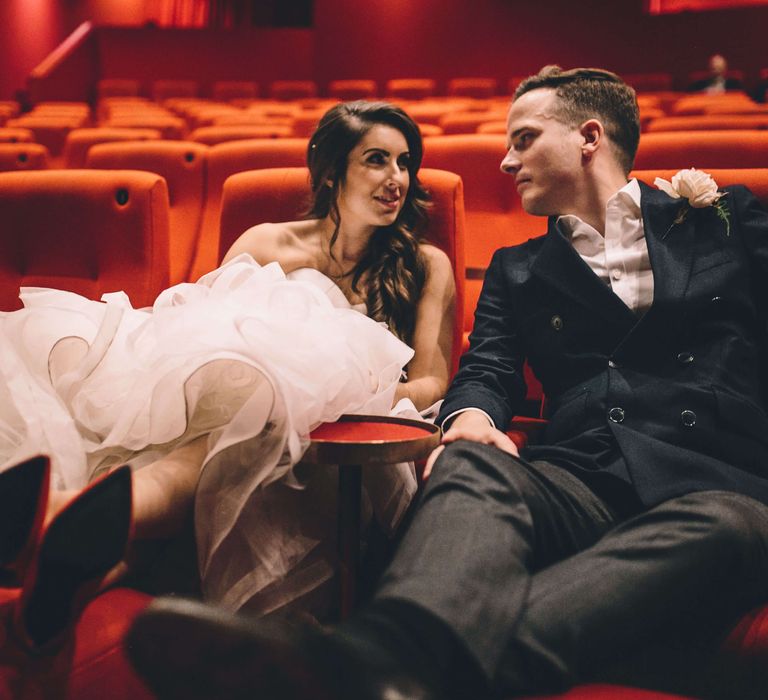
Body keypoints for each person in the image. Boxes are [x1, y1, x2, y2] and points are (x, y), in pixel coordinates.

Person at [127, 67, 768, 700]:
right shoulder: (518, 269)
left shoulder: (728, 221)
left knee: (726, 528)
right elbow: (485, 371)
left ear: (588, 137)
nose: (505, 162)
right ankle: (394, 659)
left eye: (523, 139)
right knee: (469, 465)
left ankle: (384, 669)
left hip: (716, 478)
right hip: (580, 478)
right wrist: (471, 421)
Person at [0, 100, 455, 644]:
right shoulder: (266, 243)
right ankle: (65, 577)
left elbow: (432, 380)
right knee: (242, 415)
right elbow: (199, 344)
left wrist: (335, 393)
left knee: (253, 424)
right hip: (226, 413)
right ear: (331, 171)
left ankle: (60, 523)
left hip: (337, 432)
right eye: (377, 160)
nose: (396, 179)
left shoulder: (425, 262)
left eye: (406, 163)